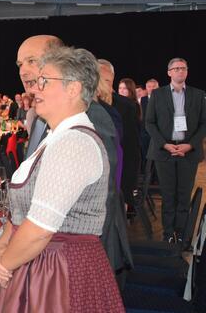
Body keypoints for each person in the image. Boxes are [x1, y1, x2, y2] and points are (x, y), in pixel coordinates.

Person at [0, 47, 128, 313]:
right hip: (42, 264)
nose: (35, 88)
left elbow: (40, 229)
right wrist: (3, 247)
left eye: (44, 81)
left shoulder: (73, 143)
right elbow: (23, 212)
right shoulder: (56, 137)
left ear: (73, 89)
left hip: (57, 273)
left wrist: (4, 262)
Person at [16, 35, 132, 278]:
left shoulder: (91, 116)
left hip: (79, 259)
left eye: (32, 61)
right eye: (20, 64)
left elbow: (102, 196)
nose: (23, 71)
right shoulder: (41, 116)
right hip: (46, 252)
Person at [146, 58, 206, 244]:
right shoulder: (158, 94)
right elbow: (149, 123)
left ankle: (181, 236)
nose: (180, 71)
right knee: (168, 196)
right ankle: (168, 235)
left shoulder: (198, 95)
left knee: (184, 196)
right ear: (169, 72)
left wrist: (190, 145)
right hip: (165, 151)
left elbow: (204, 124)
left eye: (183, 68)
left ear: (187, 72)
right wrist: (164, 144)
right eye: (176, 68)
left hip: (188, 151)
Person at [98, 60, 141, 212]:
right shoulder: (83, 105)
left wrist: (127, 193)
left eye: (105, 80)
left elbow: (132, 150)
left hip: (117, 182)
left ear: (112, 78)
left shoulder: (127, 106)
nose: (100, 84)